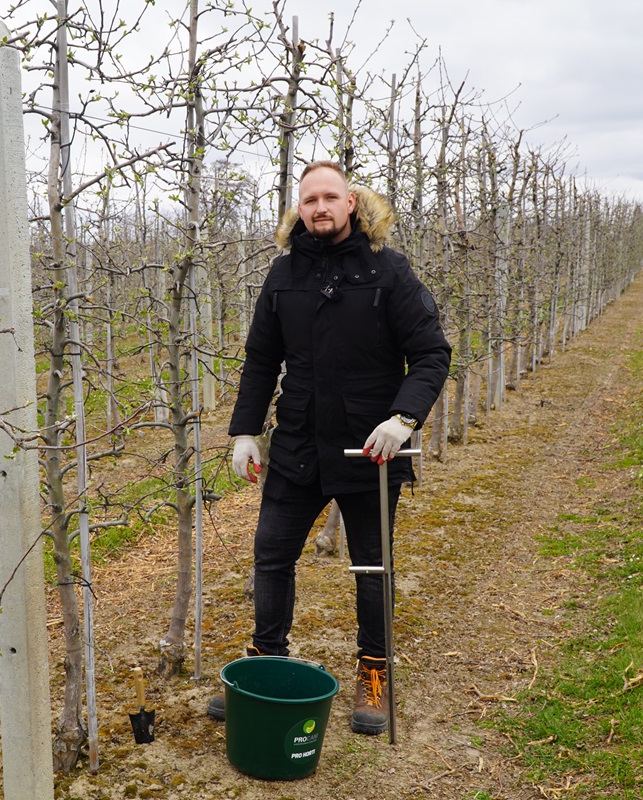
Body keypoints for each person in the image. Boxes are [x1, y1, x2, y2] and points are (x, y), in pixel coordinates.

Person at [208, 160, 451, 735]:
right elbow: (263, 359)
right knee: (271, 555)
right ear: (299, 208)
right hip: (296, 445)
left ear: (351, 204)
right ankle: (267, 658)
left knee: (372, 566)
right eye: (308, 199)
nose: (318, 208)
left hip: (371, 450)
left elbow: (432, 353)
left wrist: (404, 418)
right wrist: (246, 430)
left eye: (329, 198)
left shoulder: (387, 272)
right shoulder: (282, 275)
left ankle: (374, 671)